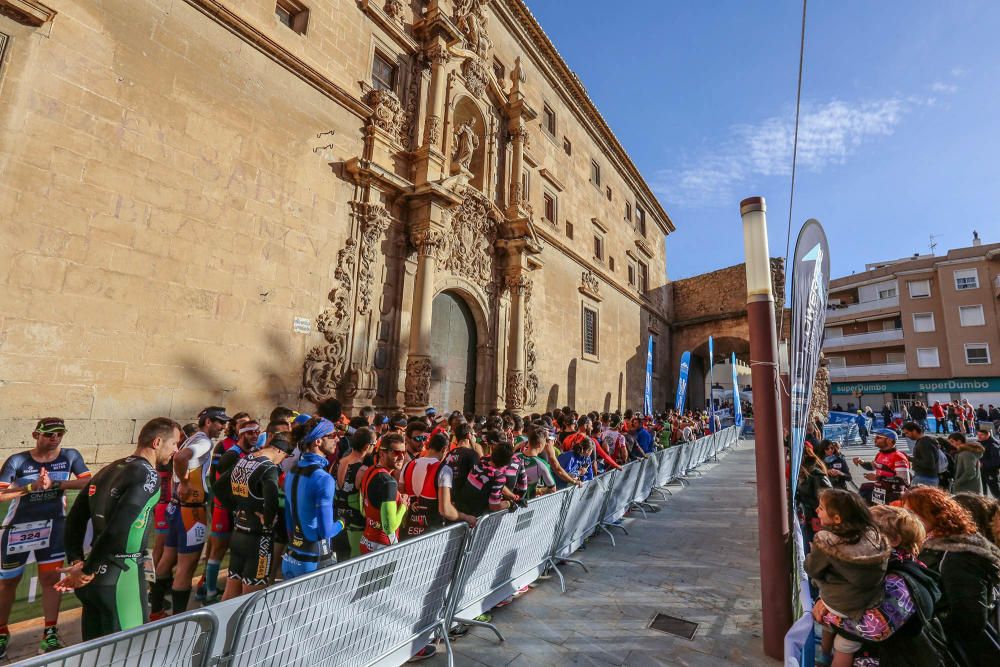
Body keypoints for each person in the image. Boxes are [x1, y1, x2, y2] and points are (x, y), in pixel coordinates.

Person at [59, 418, 182, 640]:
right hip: (122, 576)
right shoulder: (148, 475)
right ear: (157, 442)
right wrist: (86, 570)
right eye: (174, 443)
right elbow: (120, 528)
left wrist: (77, 561)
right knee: (128, 652)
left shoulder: (109, 468)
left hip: (94, 579)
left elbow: (75, 519)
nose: (176, 450)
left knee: (96, 654)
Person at [0, 418, 92, 656]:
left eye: (60, 433)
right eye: (50, 434)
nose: (55, 438)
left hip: (53, 529)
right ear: (35, 435)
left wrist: (58, 484)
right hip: (17, 529)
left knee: (51, 580)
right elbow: (1, 495)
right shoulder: (18, 460)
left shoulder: (70, 456)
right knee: (8, 582)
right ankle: (1, 631)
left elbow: (88, 482)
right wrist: (31, 487)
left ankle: (49, 633)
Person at [903, 486, 1000, 664]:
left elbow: (971, 619)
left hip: (964, 650)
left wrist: (932, 627)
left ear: (935, 516)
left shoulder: (957, 555)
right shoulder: (930, 546)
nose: (907, 519)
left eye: (912, 513)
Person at [150, 407, 228, 619]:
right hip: (191, 511)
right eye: (220, 422)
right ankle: (179, 618)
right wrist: (184, 483)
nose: (223, 427)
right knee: (187, 565)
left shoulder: (191, 438)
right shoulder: (203, 442)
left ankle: (156, 610)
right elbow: (180, 458)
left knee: (167, 559)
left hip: (175, 507)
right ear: (208, 422)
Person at [805, 488, 890, 667]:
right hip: (872, 598)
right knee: (845, 639)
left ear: (837, 519)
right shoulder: (873, 534)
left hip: (840, 603)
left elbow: (812, 569)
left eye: (821, 508)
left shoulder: (827, 541)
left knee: (842, 645)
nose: (816, 511)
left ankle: (824, 656)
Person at [213, 432, 292, 599]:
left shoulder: (244, 459)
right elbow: (271, 502)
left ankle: (224, 625)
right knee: (253, 599)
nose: (282, 461)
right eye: (285, 456)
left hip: (238, 532)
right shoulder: (269, 468)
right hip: (259, 539)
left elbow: (218, 487)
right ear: (279, 451)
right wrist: (269, 521)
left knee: (231, 590)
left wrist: (234, 508)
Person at [282, 418, 344, 579]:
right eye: (333, 435)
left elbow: (288, 520)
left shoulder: (292, 471)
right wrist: (342, 523)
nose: (337, 438)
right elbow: (325, 531)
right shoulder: (323, 479)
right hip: (313, 561)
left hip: (291, 555)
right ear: (318, 441)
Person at [358, 433, 407, 554]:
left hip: (366, 540)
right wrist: (403, 506)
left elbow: (362, 509)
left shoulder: (371, 470)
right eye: (395, 452)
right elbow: (389, 528)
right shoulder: (388, 482)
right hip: (383, 546)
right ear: (382, 453)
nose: (401, 457)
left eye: (403, 452)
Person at [335, 426, 374, 559]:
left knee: (339, 560)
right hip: (355, 524)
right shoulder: (362, 470)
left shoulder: (337, 463)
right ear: (367, 446)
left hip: (337, 520)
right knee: (353, 563)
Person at [853, 429, 911, 506]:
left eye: (879, 437)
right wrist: (862, 462)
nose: (875, 439)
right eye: (875, 437)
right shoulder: (879, 454)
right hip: (879, 493)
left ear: (890, 440)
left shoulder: (898, 457)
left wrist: (878, 478)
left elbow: (905, 481)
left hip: (893, 496)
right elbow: (873, 466)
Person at [796, 448, 832, 546]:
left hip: (815, 519)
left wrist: (804, 501)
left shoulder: (816, 475)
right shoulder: (803, 472)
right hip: (808, 518)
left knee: (814, 547)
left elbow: (828, 499)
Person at [901, 421, 940, 488]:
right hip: (927, 477)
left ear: (914, 431)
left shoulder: (924, 443)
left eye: (907, 433)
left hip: (924, 478)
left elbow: (929, 463)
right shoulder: (925, 441)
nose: (906, 436)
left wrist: (909, 458)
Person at [976, 424, 1000, 499]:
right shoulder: (980, 443)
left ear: (988, 435)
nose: (979, 436)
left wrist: (983, 464)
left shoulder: (993, 445)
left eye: (981, 435)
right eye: (978, 435)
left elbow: (997, 461)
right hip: (981, 471)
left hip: (990, 472)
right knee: (982, 491)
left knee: (995, 492)